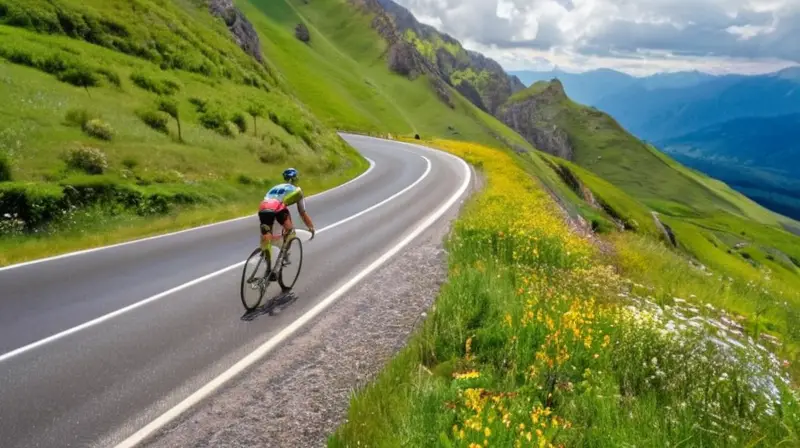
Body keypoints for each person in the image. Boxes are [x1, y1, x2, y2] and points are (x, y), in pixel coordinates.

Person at [258, 168, 316, 274]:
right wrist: (311, 227)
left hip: (263, 206)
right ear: (295, 179)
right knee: (290, 231)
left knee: (267, 231)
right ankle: (283, 256)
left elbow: (267, 199)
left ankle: (265, 251)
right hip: (278, 208)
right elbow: (302, 212)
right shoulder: (297, 190)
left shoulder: (276, 187)